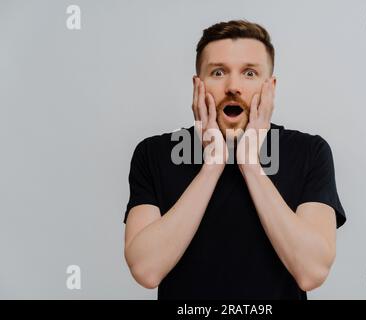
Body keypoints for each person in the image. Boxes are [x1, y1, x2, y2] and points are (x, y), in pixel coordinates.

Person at [123, 20, 346, 300]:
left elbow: (311, 272)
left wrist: (250, 165)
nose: (233, 87)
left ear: (270, 87)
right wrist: (213, 166)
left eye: (249, 73)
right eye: (218, 72)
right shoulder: (153, 153)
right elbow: (146, 270)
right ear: (198, 84)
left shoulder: (309, 152)